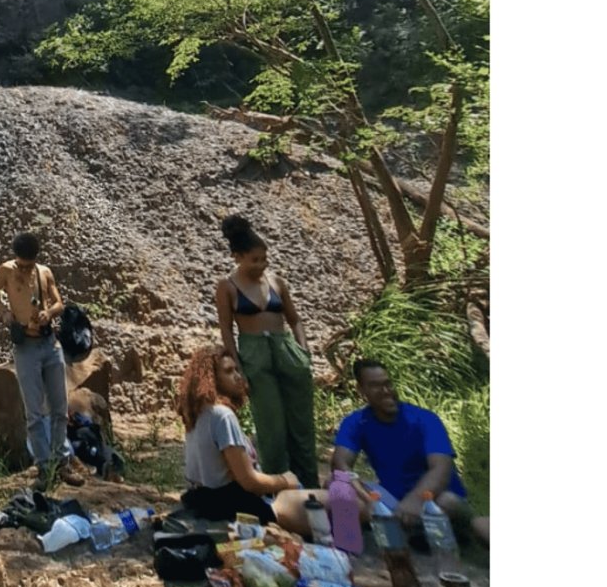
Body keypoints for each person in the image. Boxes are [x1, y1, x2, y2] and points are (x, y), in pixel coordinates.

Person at [333, 359, 489, 544]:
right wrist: (368, 499)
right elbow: (340, 464)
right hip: (393, 500)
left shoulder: (424, 419)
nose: (385, 391)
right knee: (337, 485)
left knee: (447, 502)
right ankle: (348, 548)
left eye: (387, 383)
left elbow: (441, 468)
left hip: (435, 499)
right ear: (361, 390)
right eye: (375, 386)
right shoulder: (356, 422)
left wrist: (415, 501)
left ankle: (437, 533)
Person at [214, 215, 319, 488]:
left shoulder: (277, 283)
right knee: (271, 427)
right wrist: (237, 368)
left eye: (264, 258)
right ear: (238, 257)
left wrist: (304, 353)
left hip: (286, 351)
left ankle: (311, 488)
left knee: (302, 426)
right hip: (254, 353)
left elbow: (295, 319)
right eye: (254, 260)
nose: (261, 265)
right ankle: (281, 490)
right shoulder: (227, 287)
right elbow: (226, 329)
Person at [0, 232, 87, 487]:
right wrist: (5, 313)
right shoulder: (6, 271)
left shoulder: (44, 273)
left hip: (49, 344)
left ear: (35, 260)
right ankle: (44, 467)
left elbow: (59, 303)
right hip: (26, 348)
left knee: (59, 408)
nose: (24, 268)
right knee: (33, 412)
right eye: (21, 264)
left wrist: (48, 313)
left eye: (28, 264)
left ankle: (62, 462)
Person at [177, 346, 302, 523]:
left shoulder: (197, 414)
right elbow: (249, 482)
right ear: (212, 378)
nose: (237, 376)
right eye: (228, 371)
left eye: (237, 370)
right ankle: (348, 542)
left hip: (199, 501)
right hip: (232, 506)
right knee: (336, 500)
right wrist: (285, 480)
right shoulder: (222, 415)